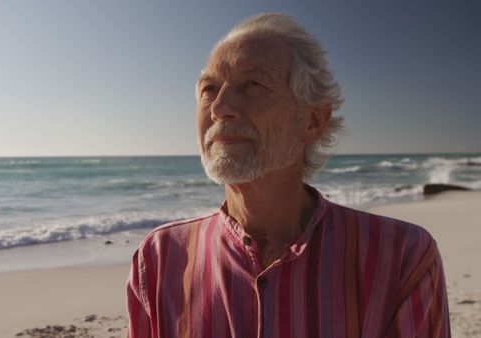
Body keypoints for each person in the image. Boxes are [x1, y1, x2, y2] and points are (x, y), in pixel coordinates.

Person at [126, 13, 450, 338]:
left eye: (253, 84)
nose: (220, 106)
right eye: (209, 88)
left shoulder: (402, 260)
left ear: (312, 121)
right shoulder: (159, 260)